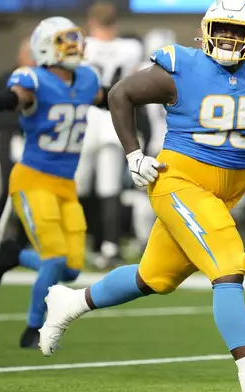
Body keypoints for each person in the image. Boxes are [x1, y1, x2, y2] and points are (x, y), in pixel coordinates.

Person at [38, 1, 245, 390]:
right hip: (180, 181)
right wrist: (134, 155)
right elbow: (120, 94)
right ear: (206, 28)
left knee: (154, 277)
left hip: (228, 190)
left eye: (237, 31)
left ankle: (71, 302)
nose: (228, 37)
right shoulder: (182, 65)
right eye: (222, 28)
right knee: (228, 261)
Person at [0, 17, 103, 347]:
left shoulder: (88, 79)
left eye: (75, 39)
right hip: (32, 180)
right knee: (55, 258)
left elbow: (113, 96)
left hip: (65, 185)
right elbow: (11, 99)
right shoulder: (34, 80)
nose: (74, 46)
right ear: (46, 46)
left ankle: (13, 255)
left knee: (73, 268)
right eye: (65, 40)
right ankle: (34, 328)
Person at [77, 1, 144, 268]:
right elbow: (137, 79)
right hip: (115, 119)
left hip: (85, 119)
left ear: (92, 21)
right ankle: (109, 245)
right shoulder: (131, 48)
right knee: (110, 190)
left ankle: (76, 242)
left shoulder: (84, 46)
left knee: (77, 186)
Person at [0, 37, 34, 259]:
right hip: (8, 135)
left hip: (31, 138)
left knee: (32, 192)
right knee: (8, 189)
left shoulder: (42, 80)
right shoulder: (7, 78)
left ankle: (24, 242)